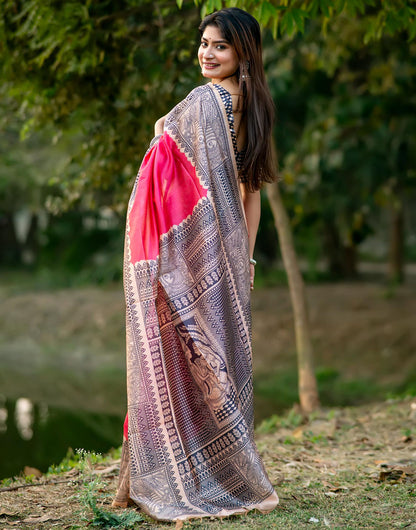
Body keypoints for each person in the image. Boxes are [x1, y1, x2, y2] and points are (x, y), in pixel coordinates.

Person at [112, 7, 279, 522]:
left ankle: (184, 476)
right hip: (224, 253)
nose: (207, 54)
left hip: (187, 251)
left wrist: (168, 125)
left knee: (179, 353)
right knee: (220, 356)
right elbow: (251, 195)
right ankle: (227, 471)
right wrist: (243, 256)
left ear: (242, 53)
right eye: (204, 44)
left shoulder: (205, 102)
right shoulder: (255, 108)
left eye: (219, 47)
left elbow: (163, 135)